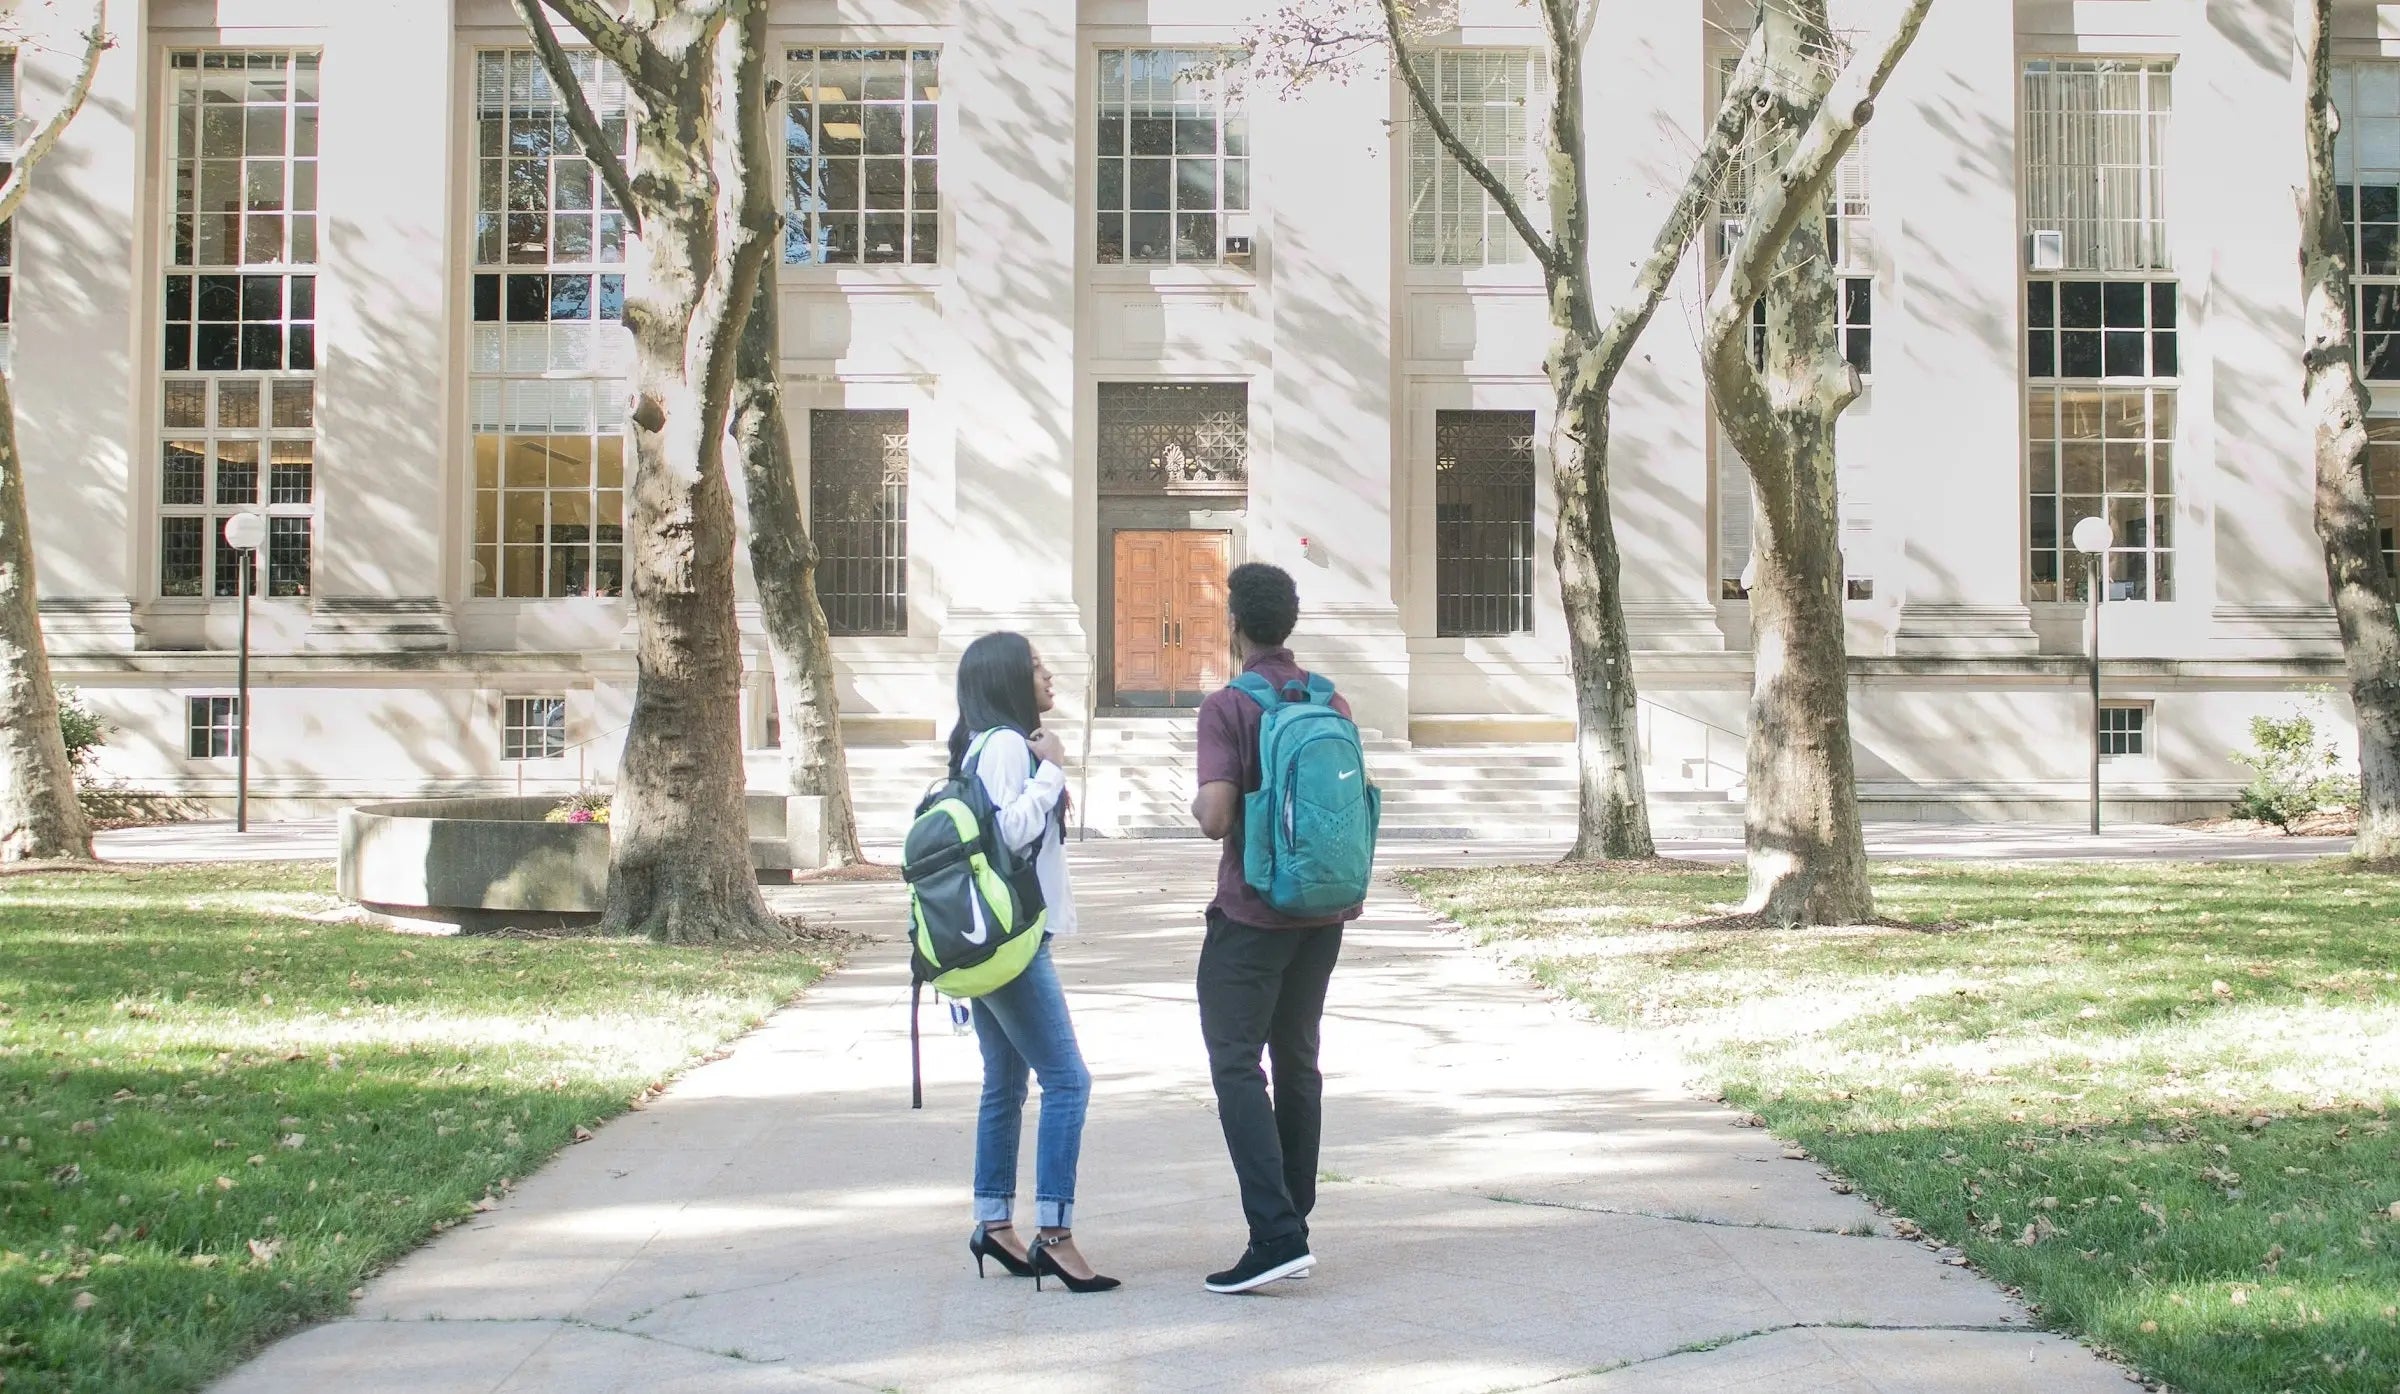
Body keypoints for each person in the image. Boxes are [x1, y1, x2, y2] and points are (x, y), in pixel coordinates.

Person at [1188, 563, 1363, 1293]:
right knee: (1298, 1059)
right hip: (1323, 910)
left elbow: (1218, 817)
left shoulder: (1229, 706)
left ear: (1235, 624)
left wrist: (1198, 801)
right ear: (1289, 622)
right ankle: (1295, 1217)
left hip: (1253, 912)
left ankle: (1275, 1233)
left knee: (1235, 1064)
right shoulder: (1332, 699)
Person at [948, 632, 1117, 1294]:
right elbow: (1010, 833)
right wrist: (1052, 771)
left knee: (1007, 1082)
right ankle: (1054, 1234)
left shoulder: (980, 745)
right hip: (1012, 941)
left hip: (991, 938)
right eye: (1038, 666)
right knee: (1068, 1082)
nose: (1049, 675)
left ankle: (993, 1223)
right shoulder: (1007, 748)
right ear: (1008, 680)